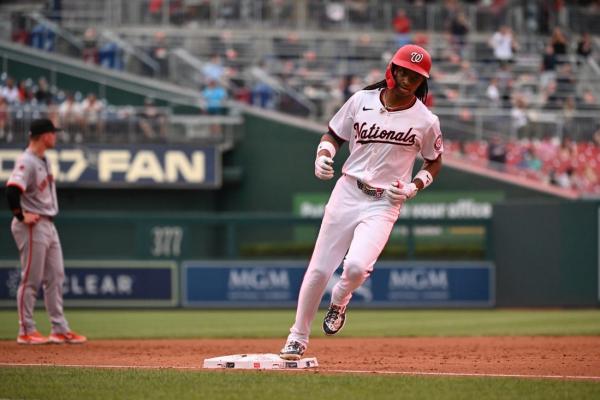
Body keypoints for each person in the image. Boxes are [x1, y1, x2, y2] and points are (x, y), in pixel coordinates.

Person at [279, 44, 444, 360]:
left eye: (416, 75)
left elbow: (434, 160)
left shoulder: (426, 120)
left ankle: (340, 299)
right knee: (319, 269)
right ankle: (297, 337)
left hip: (384, 201)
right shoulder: (361, 100)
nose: (408, 78)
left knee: (355, 268)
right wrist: (323, 155)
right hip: (348, 191)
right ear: (392, 69)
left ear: (423, 81)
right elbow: (333, 135)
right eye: (404, 70)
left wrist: (415, 186)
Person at [6, 118, 86, 345]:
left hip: (48, 223)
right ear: (44, 136)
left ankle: (59, 329)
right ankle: (26, 330)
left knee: (56, 276)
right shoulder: (27, 161)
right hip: (32, 224)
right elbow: (12, 190)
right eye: (53, 133)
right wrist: (20, 215)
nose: (56, 136)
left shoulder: (44, 159)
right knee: (31, 279)